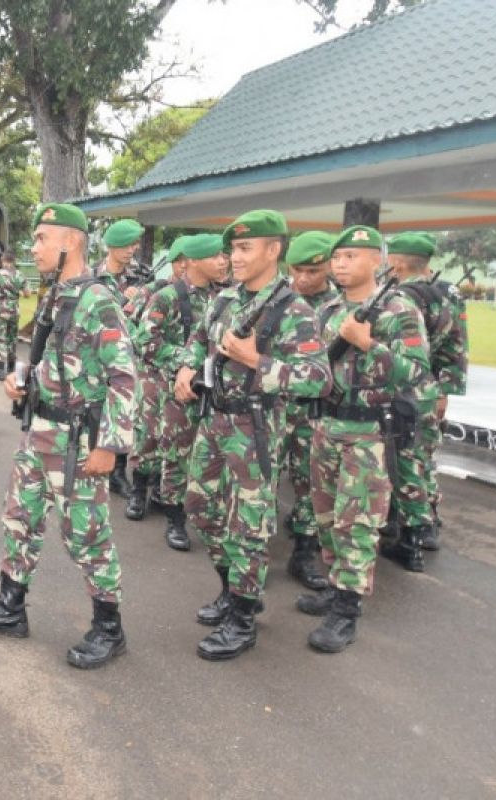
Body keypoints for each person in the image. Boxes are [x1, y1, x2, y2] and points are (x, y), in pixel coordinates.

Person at [0, 203, 136, 670]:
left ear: (69, 242)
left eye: (41, 238)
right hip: (39, 431)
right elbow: (41, 358)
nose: (33, 248)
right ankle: (10, 608)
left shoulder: (99, 298)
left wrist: (109, 447)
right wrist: (21, 380)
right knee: (20, 520)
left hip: (77, 441)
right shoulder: (56, 292)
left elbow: (123, 378)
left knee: (87, 535)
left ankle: (108, 628)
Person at [174, 209, 331, 661]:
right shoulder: (225, 300)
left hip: (255, 427)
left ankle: (243, 617)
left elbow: (318, 379)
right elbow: (200, 341)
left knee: (248, 526)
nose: (234, 257)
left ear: (273, 249)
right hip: (215, 421)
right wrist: (187, 365)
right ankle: (232, 589)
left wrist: (256, 361)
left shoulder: (293, 309)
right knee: (201, 510)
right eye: (233, 249)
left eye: (244, 248)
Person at [301, 225, 429, 652]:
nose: (340, 264)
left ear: (378, 260)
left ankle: (347, 610)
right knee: (325, 516)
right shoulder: (328, 309)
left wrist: (368, 343)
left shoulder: (398, 309)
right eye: (337, 258)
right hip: (326, 427)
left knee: (356, 523)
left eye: (351, 256)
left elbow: (415, 373)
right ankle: (336, 587)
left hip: (369, 434)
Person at [134, 233, 227, 549]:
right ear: (195, 261)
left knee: (210, 456)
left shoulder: (224, 298)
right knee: (173, 450)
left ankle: (208, 515)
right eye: (216, 256)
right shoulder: (168, 296)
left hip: (214, 389)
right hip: (174, 386)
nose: (223, 261)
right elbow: (145, 342)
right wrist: (187, 362)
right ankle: (174, 519)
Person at [382, 231, 466, 562]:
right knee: (424, 457)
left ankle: (408, 533)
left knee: (402, 460)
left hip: (402, 391)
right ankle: (427, 526)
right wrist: (445, 391)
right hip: (430, 391)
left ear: (398, 262)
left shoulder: (398, 298)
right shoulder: (447, 293)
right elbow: (457, 348)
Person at [281, 231, 339, 590]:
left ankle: (303, 552)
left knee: (309, 481)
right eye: (297, 271)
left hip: (314, 411)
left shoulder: (341, 307)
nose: (303, 279)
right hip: (273, 406)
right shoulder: (276, 302)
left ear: (328, 268)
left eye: (312, 271)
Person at [95, 218, 145, 500]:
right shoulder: (94, 275)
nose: (131, 250)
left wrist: (138, 300)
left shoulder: (139, 276)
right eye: (126, 244)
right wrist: (123, 301)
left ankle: (118, 471)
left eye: (135, 244)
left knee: (126, 413)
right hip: (100, 357)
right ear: (111, 246)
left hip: (128, 356)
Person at [0, 250, 30, 380]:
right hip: (14, 311)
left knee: (0, 339)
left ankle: (0, 371)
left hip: (0, 311)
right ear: (14, 260)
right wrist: (16, 293)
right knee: (12, 339)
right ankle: (11, 368)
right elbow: (27, 294)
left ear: (3, 260)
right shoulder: (20, 275)